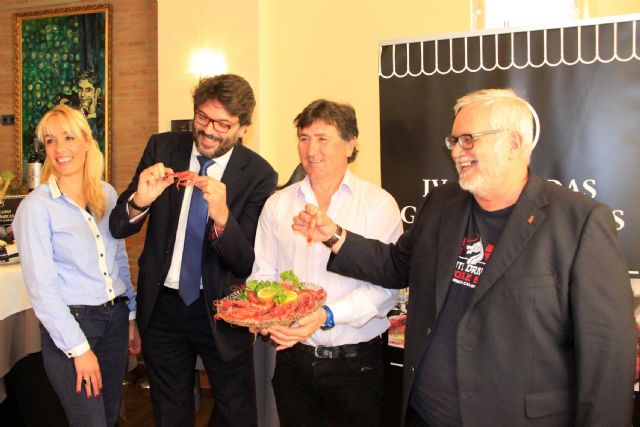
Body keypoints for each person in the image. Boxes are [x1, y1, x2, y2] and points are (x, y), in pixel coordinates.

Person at [293, 89, 636, 426]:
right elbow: (396, 265)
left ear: (514, 143)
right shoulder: (442, 203)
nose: (457, 152)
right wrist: (334, 235)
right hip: (426, 414)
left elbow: (607, 356)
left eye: (469, 140)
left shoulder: (578, 222)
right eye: (454, 141)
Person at [109, 73, 277, 427]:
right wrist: (140, 201)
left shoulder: (259, 174)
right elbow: (118, 226)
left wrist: (222, 217)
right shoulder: (162, 147)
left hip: (223, 311)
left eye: (222, 124)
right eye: (202, 117)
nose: (209, 130)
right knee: (170, 412)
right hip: (163, 307)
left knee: (236, 412)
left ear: (243, 128)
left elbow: (244, 260)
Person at [253, 99, 403, 427]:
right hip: (293, 359)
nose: (311, 150)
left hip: (356, 365)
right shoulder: (278, 204)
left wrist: (326, 315)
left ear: (350, 144)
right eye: (304, 138)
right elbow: (263, 275)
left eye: (323, 138)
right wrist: (266, 313)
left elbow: (385, 290)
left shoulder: (378, 205)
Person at [12, 104, 140, 426]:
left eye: (68, 137)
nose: (59, 149)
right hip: (73, 326)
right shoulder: (36, 207)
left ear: (86, 141)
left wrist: (131, 315)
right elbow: (42, 290)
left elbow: (118, 258)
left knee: (108, 419)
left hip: (115, 320)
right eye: (51, 141)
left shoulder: (107, 193)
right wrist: (79, 349)